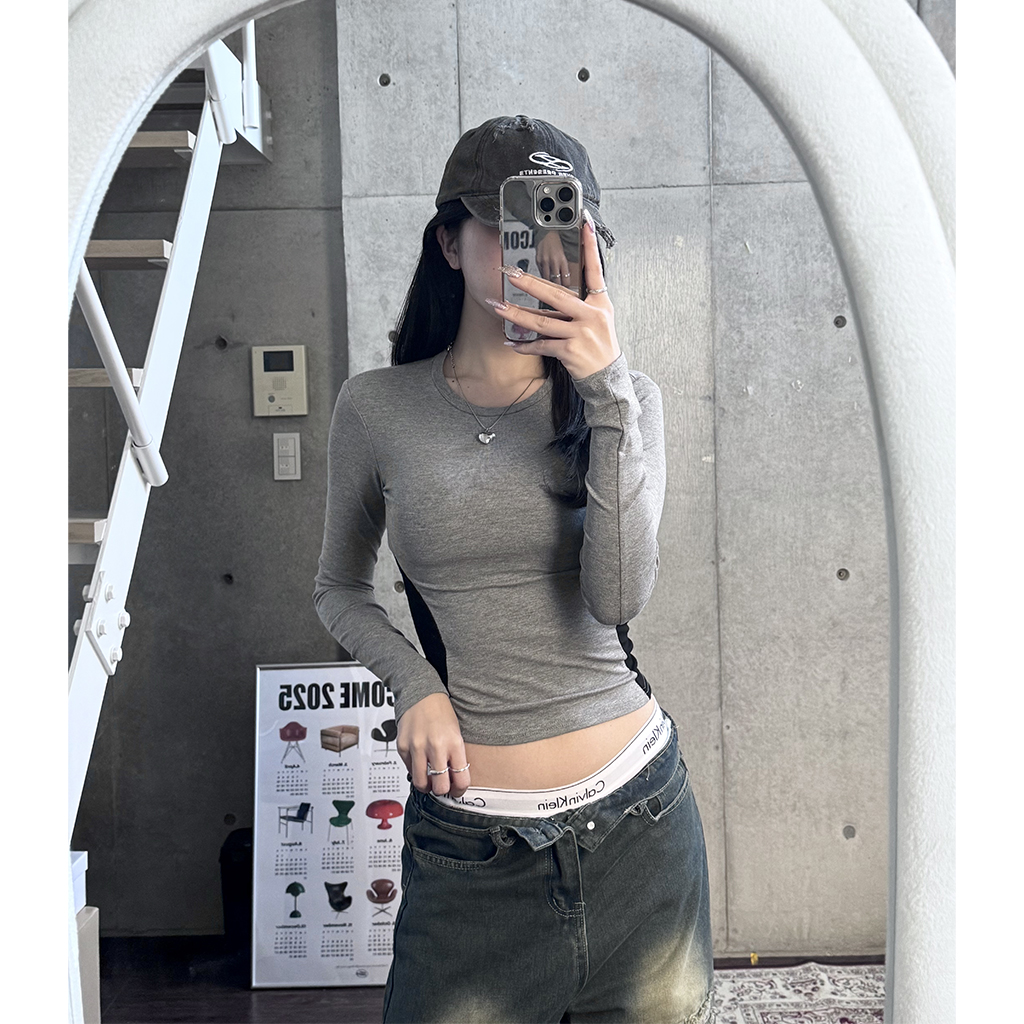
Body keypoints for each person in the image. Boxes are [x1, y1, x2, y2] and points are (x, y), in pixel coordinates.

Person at [314, 114, 714, 1024]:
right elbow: (338, 587)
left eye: (563, 231)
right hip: (473, 853)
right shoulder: (376, 409)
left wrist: (607, 391)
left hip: (642, 827)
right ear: (450, 244)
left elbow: (618, 596)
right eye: (508, 229)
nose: (537, 255)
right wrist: (416, 685)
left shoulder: (629, 401)